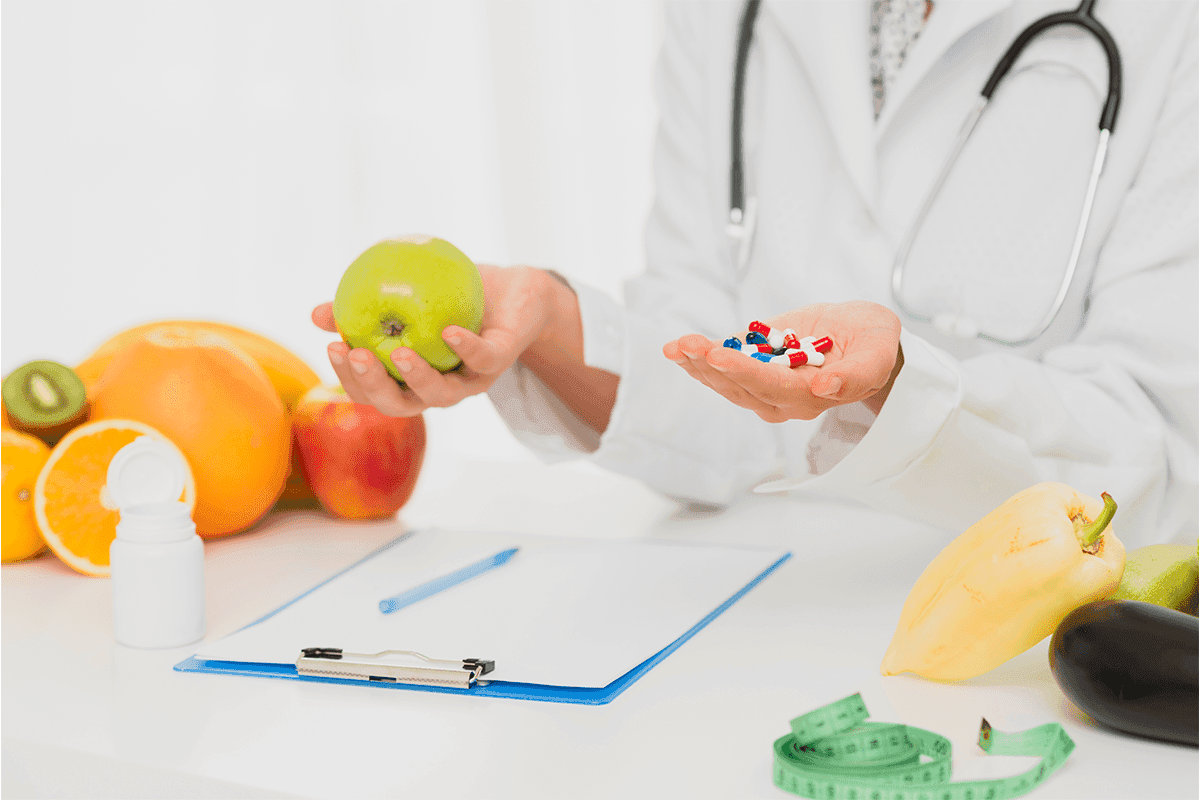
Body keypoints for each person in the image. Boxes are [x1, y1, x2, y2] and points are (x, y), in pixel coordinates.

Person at [312, 0, 1198, 548]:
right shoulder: (725, 11)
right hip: (749, 610)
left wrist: (904, 387)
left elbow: (1160, 462)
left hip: (1033, 639)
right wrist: (544, 326)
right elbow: (711, 371)